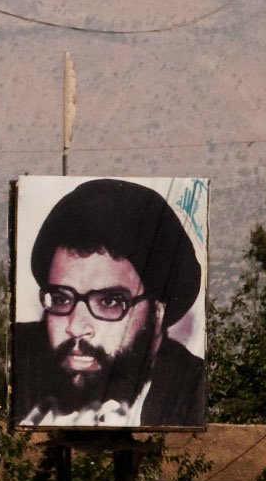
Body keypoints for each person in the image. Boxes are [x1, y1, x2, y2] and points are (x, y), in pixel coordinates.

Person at [13, 178, 206, 427]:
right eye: (61, 299)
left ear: (158, 310)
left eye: (109, 301)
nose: (75, 327)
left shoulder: (194, 394)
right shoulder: (15, 364)